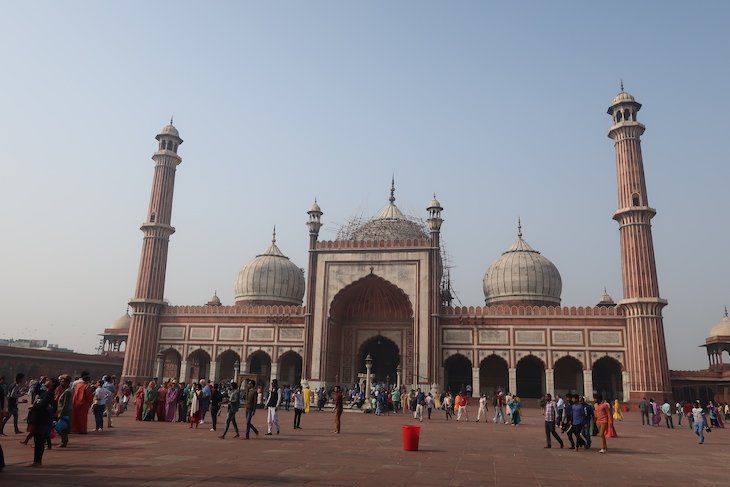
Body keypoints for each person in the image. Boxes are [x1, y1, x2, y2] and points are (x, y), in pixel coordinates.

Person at [27, 376, 59, 467]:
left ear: (52, 384)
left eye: (48, 380)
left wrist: (33, 407)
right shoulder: (45, 392)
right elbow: (36, 391)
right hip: (38, 418)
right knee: (37, 441)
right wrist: (40, 382)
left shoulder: (49, 393)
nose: (46, 381)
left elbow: (43, 404)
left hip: (41, 419)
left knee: (39, 441)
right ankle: (36, 461)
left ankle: (37, 461)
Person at [55, 375, 72, 447]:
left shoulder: (67, 392)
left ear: (67, 382)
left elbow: (65, 404)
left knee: (63, 428)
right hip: (65, 412)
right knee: (63, 427)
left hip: (64, 413)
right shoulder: (66, 391)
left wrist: (61, 414)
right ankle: (64, 441)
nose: (61, 383)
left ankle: (63, 442)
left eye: (62, 382)